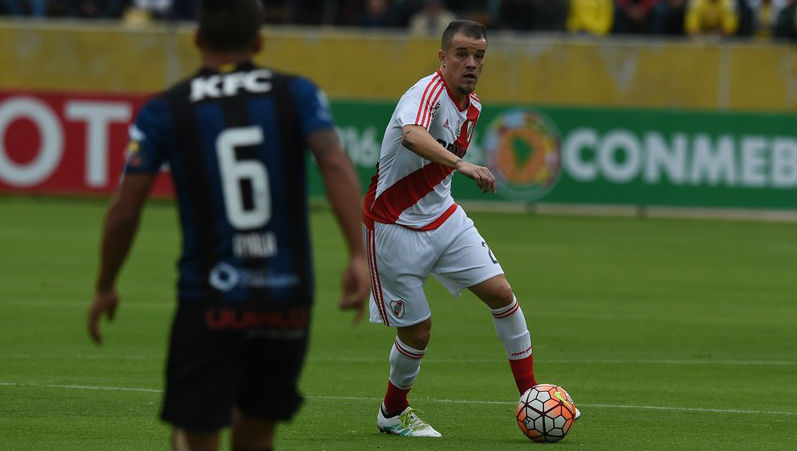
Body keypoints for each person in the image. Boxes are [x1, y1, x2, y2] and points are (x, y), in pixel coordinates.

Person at [87, 1, 370, 450]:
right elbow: (333, 161)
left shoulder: (165, 109)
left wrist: (105, 283)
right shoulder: (296, 93)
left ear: (197, 38)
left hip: (209, 299)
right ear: (258, 41)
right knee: (256, 436)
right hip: (286, 297)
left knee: (195, 438)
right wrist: (357, 253)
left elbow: (125, 209)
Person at [362, 19, 578, 438]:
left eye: (479, 56)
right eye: (461, 54)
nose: (471, 63)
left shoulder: (473, 105)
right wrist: (462, 164)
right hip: (393, 226)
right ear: (442, 58)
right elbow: (412, 136)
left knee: (502, 294)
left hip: (444, 218)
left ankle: (534, 397)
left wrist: (453, 173)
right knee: (419, 331)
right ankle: (393, 412)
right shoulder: (425, 92)